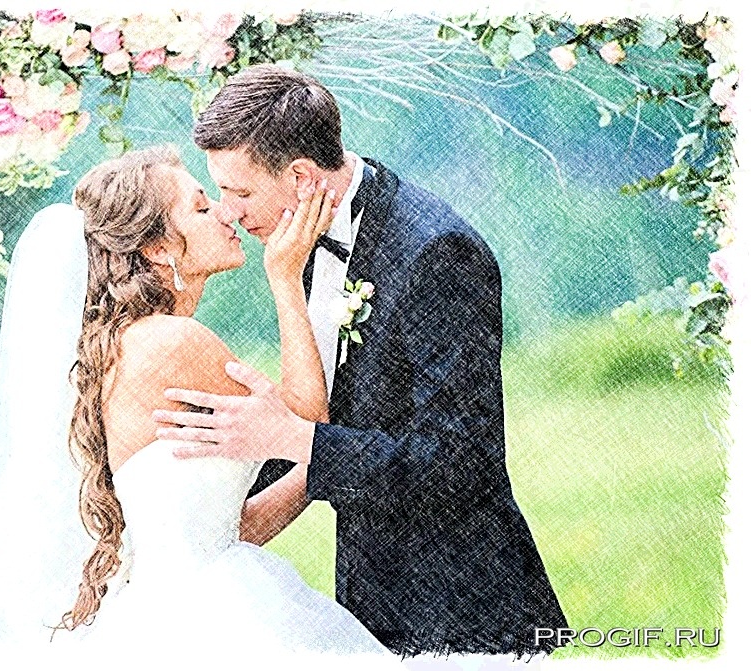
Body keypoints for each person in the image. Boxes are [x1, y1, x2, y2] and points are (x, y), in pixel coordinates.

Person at [155, 64, 569, 657]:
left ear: (301, 177)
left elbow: (461, 463)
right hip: (371, 602)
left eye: (240, 192)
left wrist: (297, 438)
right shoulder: (298, 242)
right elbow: (330, 414)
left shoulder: (435, 252)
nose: (229, 212)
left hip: (462, 607)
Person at [0, 145, 404, 666]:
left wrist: (330, 462)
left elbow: (228, 529)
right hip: (206, 621)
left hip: (176, 607)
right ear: (159, 248)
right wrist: (285, 277)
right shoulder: (171, 343)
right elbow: (304, 422)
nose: (226, 213)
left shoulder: (130, 345)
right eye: (202, 208)